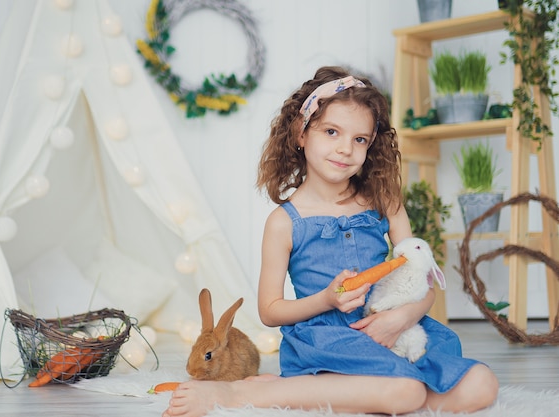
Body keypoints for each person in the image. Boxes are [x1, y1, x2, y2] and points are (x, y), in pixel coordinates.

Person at [162, 66, 499, 417]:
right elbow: (270, 311)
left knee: (481, 384)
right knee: (407, 390)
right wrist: (326, 298)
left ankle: (332, 393)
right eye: (332, 131)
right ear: (301, 133)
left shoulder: (386, 202)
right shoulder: (284, 222)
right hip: (324, 341)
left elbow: (422, 279)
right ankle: (237, 394)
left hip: (390, 328)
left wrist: (401, 318)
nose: (345, 149)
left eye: (360, 139)